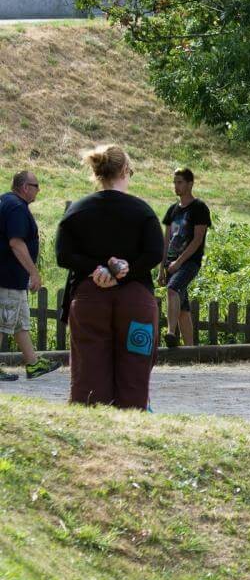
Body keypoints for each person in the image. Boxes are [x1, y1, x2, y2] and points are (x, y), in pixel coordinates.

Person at [55, 145, 165, 409]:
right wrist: (124, 271)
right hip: (135, 300)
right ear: (125, 170)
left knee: (89, 370)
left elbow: (63, 255)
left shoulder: (77, 211)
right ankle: (134, 418)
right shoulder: (143, 211)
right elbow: (154, 254)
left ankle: (92, 424)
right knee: (135, 370)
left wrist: (98, 269)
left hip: (89, 297)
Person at [1, 171, 61, 381]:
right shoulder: (17, 207)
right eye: (36, 185)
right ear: (25, 187)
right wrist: (33, 272)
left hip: (12, 279)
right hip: (7, 277)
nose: (39, 190)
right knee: (3, 321)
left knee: (20, 323)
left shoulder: (6, 201)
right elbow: (16, 243)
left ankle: (33, 363)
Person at [158, 168, 211, 348]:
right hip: (170, 263)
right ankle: (189, 349)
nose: (176, 186)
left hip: (189, 262)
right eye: (175, 182)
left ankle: (171, 333)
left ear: (190, 184)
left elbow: (197, 240)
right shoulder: (172, 210)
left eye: (180, 182)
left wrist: (178, 262)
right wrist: (161, 268)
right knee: (182, 307)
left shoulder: (199, 208)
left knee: (173, 289)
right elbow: (166, 241)